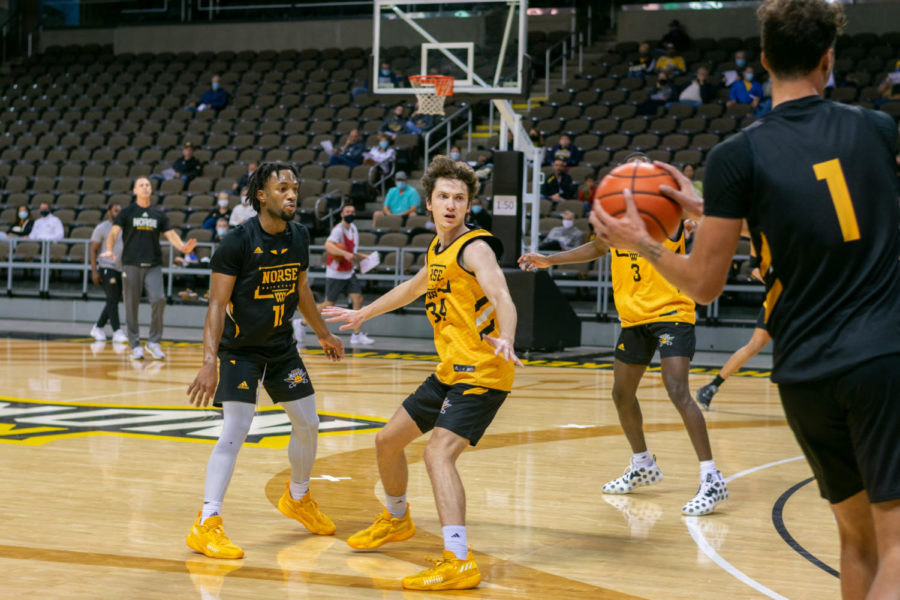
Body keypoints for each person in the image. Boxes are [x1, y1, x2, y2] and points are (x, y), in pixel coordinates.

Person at [590, 1, 900, 596]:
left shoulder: (737, 157)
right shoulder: (876, 128)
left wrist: (643, 241)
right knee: (895, 545)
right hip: (882, 356)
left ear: (762, 60)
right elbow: (833, 202)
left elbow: (704, 284)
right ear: (828, 60)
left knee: (855, 543)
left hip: (806, 372)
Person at [323, 156, 522, 591]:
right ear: (428, 204)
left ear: (468, 206)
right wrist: (364, 313)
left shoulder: (475, 248)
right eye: (444, 197)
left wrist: (507, 336)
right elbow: (414, 287)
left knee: (437, 455)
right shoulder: (439, 248)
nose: (451, 205)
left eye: (460, 198)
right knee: (387, 440)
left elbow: (503, 295)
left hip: (484, 372)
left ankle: (458, 560)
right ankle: (396, 519)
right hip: (451, 370)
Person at [521, 159, 729, 518]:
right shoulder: (615, 223)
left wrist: (694, 217)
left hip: (671, 313)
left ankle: (712, 478)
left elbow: (701, 223)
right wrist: (547, 260)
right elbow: (597, 249)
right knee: (621, 393)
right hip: (633, 317)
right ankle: (643, 463)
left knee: (677, 389)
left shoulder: (669, 215)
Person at [185, 162, 345, 560]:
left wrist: (323, 332)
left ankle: (299, 497)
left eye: (295, 188)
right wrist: (210, 361)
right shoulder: (237, 242)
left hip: (280, 347)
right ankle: (207, 522)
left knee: (308, 423)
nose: (292, 194)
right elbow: (217, 305)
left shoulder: (300, 236)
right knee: (236, 429)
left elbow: (301, 288)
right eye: (282, 188)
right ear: (262, 195)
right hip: (240, 351)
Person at [102, 177, 197, 361]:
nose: (145, 188)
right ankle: (135, 345)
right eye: (142, 185)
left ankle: (153, 342)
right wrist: (108, 249)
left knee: (159, 299)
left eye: (148, 185)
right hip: (131, 265)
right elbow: (113, 233)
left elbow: (171, 235)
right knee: (131, 306)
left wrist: (183, 247)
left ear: (151, 190)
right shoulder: (127, 212)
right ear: (135, 190)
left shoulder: (158, 214)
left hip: (153, 265)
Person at [316, 205, 374, 346]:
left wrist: (361, 257)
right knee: (329, 303)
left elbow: (351, 252)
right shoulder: (338, 230)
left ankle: (356, 334)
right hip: (336, 272)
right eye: (347, 212)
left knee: (358, 299)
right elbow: (328, 246)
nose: (350, 214)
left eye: (353, 212)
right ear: (342, 214)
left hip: (349, 272)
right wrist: (344, 254)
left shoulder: (353, 229)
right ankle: (303, 322)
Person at [89, 202, 128, 344]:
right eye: (116, 210)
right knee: (112, 297)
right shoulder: (102, 228)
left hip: (120, 268)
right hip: (106, 267)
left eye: (120, 210)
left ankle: (98, 327)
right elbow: (93, 249)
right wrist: (94, 271)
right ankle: (117, 331)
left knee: (114, 298)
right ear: (109, 212)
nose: (119, 213)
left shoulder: (125, 228)